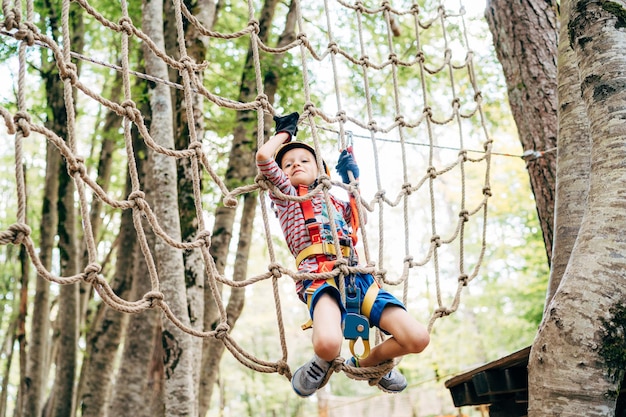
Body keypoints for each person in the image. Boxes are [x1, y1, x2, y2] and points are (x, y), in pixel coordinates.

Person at [256, 111, 430, 397]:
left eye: (303, 161)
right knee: (327, 344)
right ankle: (322, 361)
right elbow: (264, 158)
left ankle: (368, 363)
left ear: (321, 171)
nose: (295, 165)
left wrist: (352, 181)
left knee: (417, 338)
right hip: (320, 277)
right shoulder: (287, 199)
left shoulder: (336, 201)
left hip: (359, 279)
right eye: (287, 164)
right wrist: (285, 133)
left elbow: (361, 216)